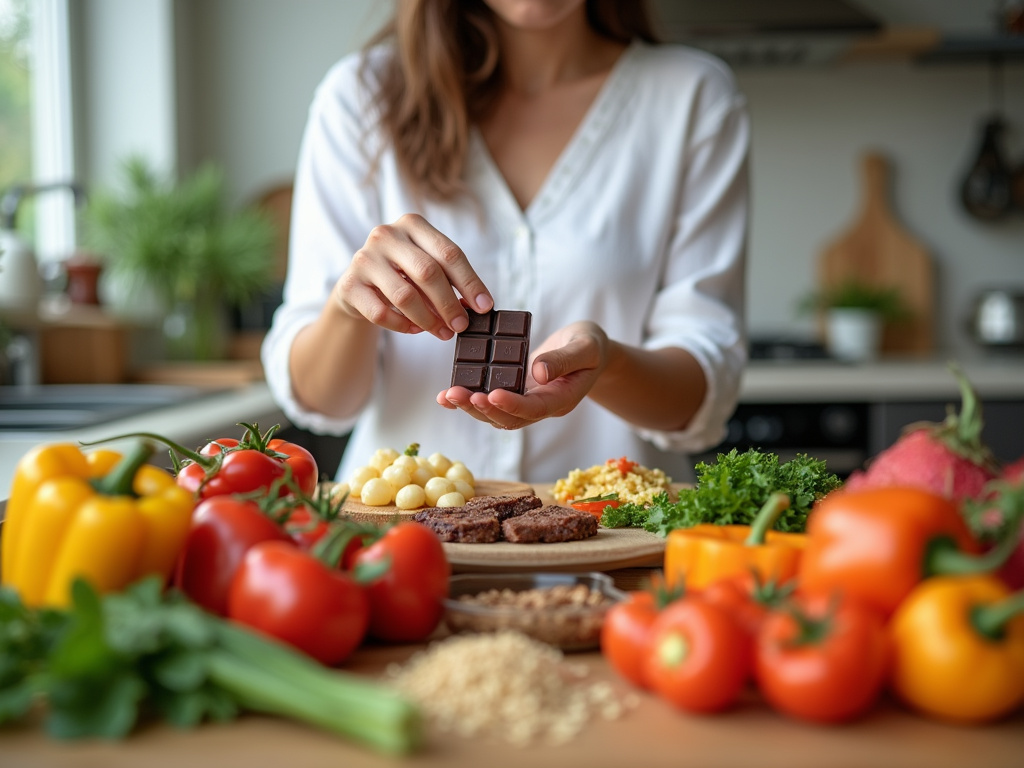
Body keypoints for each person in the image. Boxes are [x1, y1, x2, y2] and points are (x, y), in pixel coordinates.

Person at [261, 0, 750, 485]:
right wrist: (350, 310)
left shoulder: (693, 97)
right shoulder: (360, 96)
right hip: (403, 542)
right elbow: (321, 400)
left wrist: (609, 363)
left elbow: (698, 396)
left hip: (616, 538)